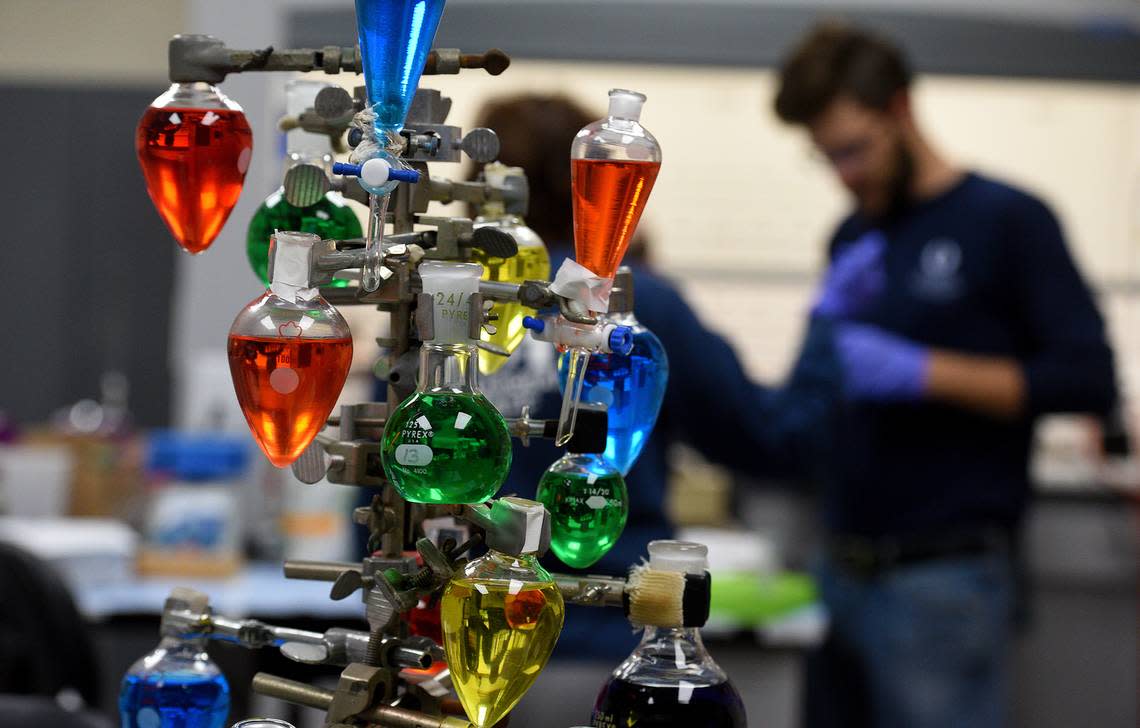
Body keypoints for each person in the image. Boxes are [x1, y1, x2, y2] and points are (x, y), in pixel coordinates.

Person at [773, 22, 1118, 728]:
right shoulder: (855, 234)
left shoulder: (1008, 221)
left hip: (942, 582)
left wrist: (926, 373)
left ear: (901, 110)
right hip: (838, 567)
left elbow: (1087, 377)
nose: (845, 175)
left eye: (855, 150)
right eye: (826, 158)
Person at [471, 94, 840, 662]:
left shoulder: (449, 301)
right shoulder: (641, 309)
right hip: (607, 631)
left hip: (465, 637)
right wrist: (833, 329)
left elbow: (390, 460)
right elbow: (766, 434)